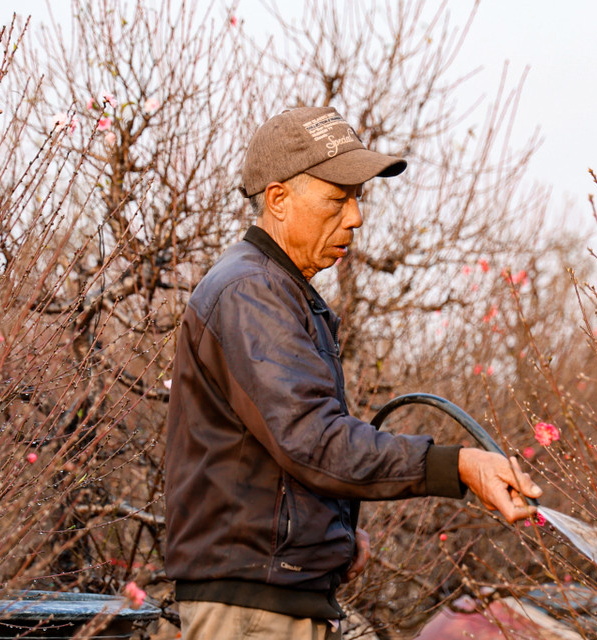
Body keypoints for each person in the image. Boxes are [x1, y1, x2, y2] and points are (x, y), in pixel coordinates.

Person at [164, 106, 542, 640]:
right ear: (278, 200)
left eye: (358, 198)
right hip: (253, 615)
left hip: (276, 600)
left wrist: (330, 537)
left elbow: (281, 457)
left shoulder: (278, 290)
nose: (356, 217)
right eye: (338, 198)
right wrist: (456, 465)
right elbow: (311, 440)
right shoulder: (251, 291)